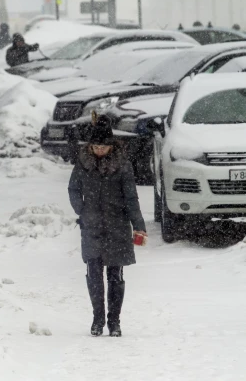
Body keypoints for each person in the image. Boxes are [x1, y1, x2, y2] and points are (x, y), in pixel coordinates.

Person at [68, 115, 146, 337]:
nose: (99, 150)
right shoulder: (83, 164)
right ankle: (97, 319)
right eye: (95, 146)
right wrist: (81, 210)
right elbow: (73, 189)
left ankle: (114, 321)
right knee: (93, 273)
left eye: (103, 146)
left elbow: (131, 198)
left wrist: (138, 225)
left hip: (117, 227)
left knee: (115, 275)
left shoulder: (122, 166)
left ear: (111, 146)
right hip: (91, 227)